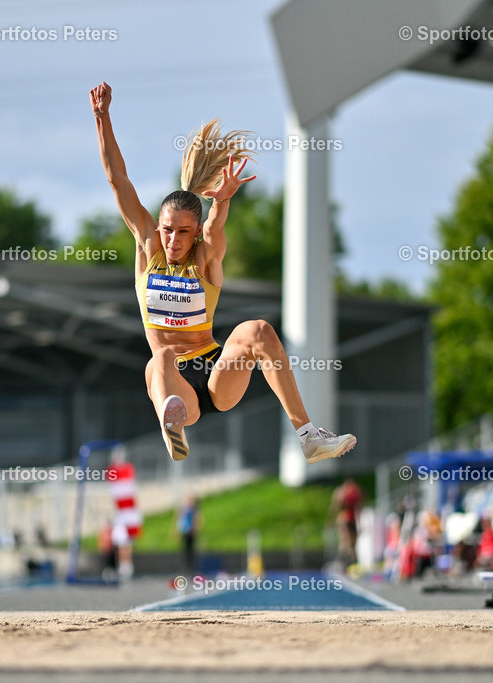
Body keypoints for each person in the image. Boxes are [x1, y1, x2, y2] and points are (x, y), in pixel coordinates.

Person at [90, 81, 356, 463]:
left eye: (183, 232)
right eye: (167, 230)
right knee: (159, 359)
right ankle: (172, 426)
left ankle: (308, 436)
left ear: (194, 232)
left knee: (258, 330)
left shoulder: (205, 259)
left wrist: (224, 200)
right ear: (157, 227)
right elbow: (118, 179)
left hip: (215, 375)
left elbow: (215, 230)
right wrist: (102, 118)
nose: (173, 240)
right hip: (174, 384)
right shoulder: (148, 249)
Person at [329, 478, 363, 565]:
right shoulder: (355, 492)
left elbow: (334, 507)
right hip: (351, 519)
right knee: (351, 544)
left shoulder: (341, 492)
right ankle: (349, 562)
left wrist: (330, 520)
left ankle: (344, 562)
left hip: (344, 518)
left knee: (345, 543)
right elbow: (358, 508)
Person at [174, 494, 201, 573]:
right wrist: (177, 531)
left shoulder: (194, 509)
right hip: (184, 530)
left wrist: (196, 528)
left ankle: (192, 568)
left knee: (191, 550)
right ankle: (185, 568)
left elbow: (197, 519)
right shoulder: (183, 509)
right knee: (184, 550)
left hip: (191, 531)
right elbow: (179, 519)